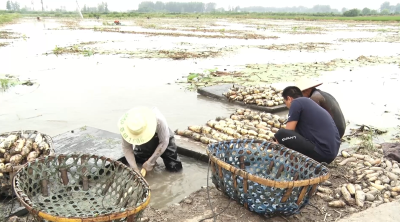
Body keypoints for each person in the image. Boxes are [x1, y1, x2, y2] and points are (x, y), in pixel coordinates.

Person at [274, 86, 341, 164]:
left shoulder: (296, 102)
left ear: (289, 98)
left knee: (281, 134)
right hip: (330, 154)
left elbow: (288, 131)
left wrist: (278, 141)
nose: (287, 106)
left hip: (321, 153)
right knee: (285, 136)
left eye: (285, 102)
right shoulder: (309, 103)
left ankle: (293, 165)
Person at [118, 106, 183, 174]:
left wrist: (151, 162)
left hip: (163, 137)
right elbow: (127, 148)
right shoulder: (126, 127)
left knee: (175, 168)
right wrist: (134, 168)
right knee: (139, 162)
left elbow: (164, 141)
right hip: (143, 143)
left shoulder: (159, 120)